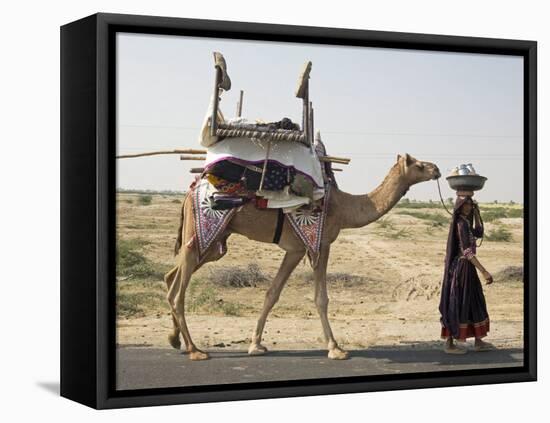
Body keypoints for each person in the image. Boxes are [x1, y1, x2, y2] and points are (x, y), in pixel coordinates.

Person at [439, 195, 495, 354]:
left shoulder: (466, 223)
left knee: (474, 301)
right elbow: (467, 251)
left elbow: (479, 232)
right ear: (460, 206)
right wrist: (484, 271)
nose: (469, 206)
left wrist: (477, 214)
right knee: (458, 303)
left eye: (471, 204)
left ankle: (479, 341)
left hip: (468, 269)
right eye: (467, 204)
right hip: (462, 268)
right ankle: (449, 344)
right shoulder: (460, 224)